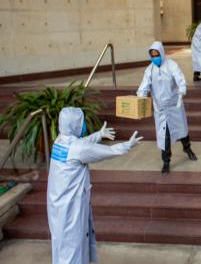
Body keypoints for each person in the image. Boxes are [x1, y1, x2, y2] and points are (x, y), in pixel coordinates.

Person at [47, 107, 143, 264]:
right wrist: (127, 145)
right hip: (71, 210)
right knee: (73, 252)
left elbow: (81, 145)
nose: (83, 124)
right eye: (81, 121)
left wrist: (98, 135)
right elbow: (107, 151)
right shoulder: (78, 148)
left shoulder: (60, 141)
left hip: (59, 207)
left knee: (63, 249)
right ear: (74, 125)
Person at [137, 41, 197, 175]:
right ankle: (166, 162)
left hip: (174, 106)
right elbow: (144, 86)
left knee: (182, 129)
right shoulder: (150, 70)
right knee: (165, 135)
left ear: (162, 53)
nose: (155, 58)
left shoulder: (171, 65)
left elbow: (180, 79)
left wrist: (182, 90)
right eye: (152, 56)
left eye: (157, 55)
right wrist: (140, 97)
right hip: (160, 109)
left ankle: (187, 148)